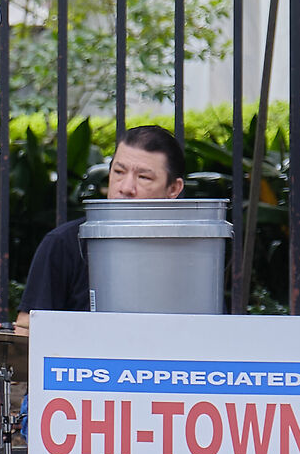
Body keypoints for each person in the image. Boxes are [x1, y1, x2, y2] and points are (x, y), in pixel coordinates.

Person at [15, 124, 187, 326]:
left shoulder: (193, 250)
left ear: (174, 188)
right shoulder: (63, 243)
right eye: (119, 172)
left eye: (143, 177)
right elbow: (28, 328)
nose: (126, 188)